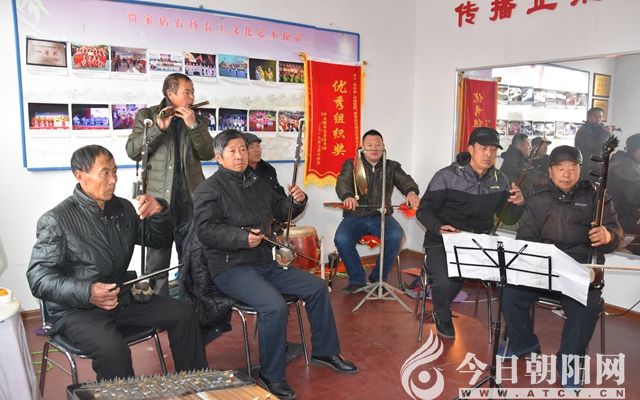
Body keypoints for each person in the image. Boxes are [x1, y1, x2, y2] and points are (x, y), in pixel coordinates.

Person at [193, 129, 358, 400]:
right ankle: (271, 375)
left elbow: (281, 210)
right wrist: (242, 238)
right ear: (219, 157)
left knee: (317, 287)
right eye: (232, 151)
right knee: (274, 305)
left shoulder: (257, 182)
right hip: (231, 268)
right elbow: (206, 230)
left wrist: (297, 201)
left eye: (242, 149)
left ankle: (325, 351)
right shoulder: (208, 189)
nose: (239, 155)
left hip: (264, 263)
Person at [26, 145, 208, 381]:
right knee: (113, 349)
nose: (113, 180)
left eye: (114, 171)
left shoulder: (122, 208)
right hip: (76, 311)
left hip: (121, 298)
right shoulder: (57, 220)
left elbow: (157, 239)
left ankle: (195, 384)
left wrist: (160, 212)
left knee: (183, 312)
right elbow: (38, 278)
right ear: (80, 175)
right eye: (105, 172)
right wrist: (88, 292)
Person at [502, 145, 622, 388]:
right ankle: (524, 344)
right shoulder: (537, 196)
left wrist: (608, 235)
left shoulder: (596, 196)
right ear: (550, 171)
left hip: (578, 268)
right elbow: (525, 235)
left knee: (587, 306)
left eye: (572, 168)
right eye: (560, 168)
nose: (566, 174)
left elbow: (615, 233)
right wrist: (534, 259)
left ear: (580, 169)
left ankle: (568, 363)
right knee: (510, 293)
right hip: (543, 266)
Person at [417, 127, 525, 339]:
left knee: (513, 277)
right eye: (483, 148)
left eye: (493, 149)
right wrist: (438, 227)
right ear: (470, 149)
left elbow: (508, 218)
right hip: (443, 239)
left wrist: (518, 204)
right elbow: (424, 209)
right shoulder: (446, 176)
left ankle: (514, 330)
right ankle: (441, 314)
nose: (488, 154)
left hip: (479, 241)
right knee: (448, 281)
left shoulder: (500, 180)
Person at [126, 72, 214, 296]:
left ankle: (191, 306)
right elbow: (133, 151)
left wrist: (193, 126)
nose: (192, 97)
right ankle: (159, 308)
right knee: (157, 264)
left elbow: (208, 153)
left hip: (190, 200)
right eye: (187, 92)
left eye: (193, 92)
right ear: (170, 94)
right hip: (158, 203)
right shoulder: (147, 116)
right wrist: (158, 128)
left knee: (192, 259)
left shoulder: (198, 119)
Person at [334, 129, 420, 293]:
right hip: (355, 216)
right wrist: (348, 195)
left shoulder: (392, 166)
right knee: (341, 239)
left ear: (383, 146)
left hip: (381, 216)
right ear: (362, 147)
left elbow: (406, 181)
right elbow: (342, 183)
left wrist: (411, 192)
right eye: (370, 145)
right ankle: (357, 280)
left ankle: (378, 278)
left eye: (378, 144)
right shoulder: (351, 164)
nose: (374, 148)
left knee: (396, 236)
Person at [608, 133, 640, 250]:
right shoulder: (626, 167)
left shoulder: (628, 163)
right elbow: (637, 196)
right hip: (621, 223)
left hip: (623, 219)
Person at [575, 107, 611, 182]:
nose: (598, 119)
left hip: (596, 166)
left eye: (601, 117)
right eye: (595, 116)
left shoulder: (597, 130)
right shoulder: (584, 131)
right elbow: (592, 147)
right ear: (588, 117)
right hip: (587, 167)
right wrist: (606, 133)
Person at [245, 132, 286, 196]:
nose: (257, 150)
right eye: (252, 147)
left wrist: (294, 199)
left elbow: (279, 195)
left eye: (258, 146)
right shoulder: (239, 174)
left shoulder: (268, 169)